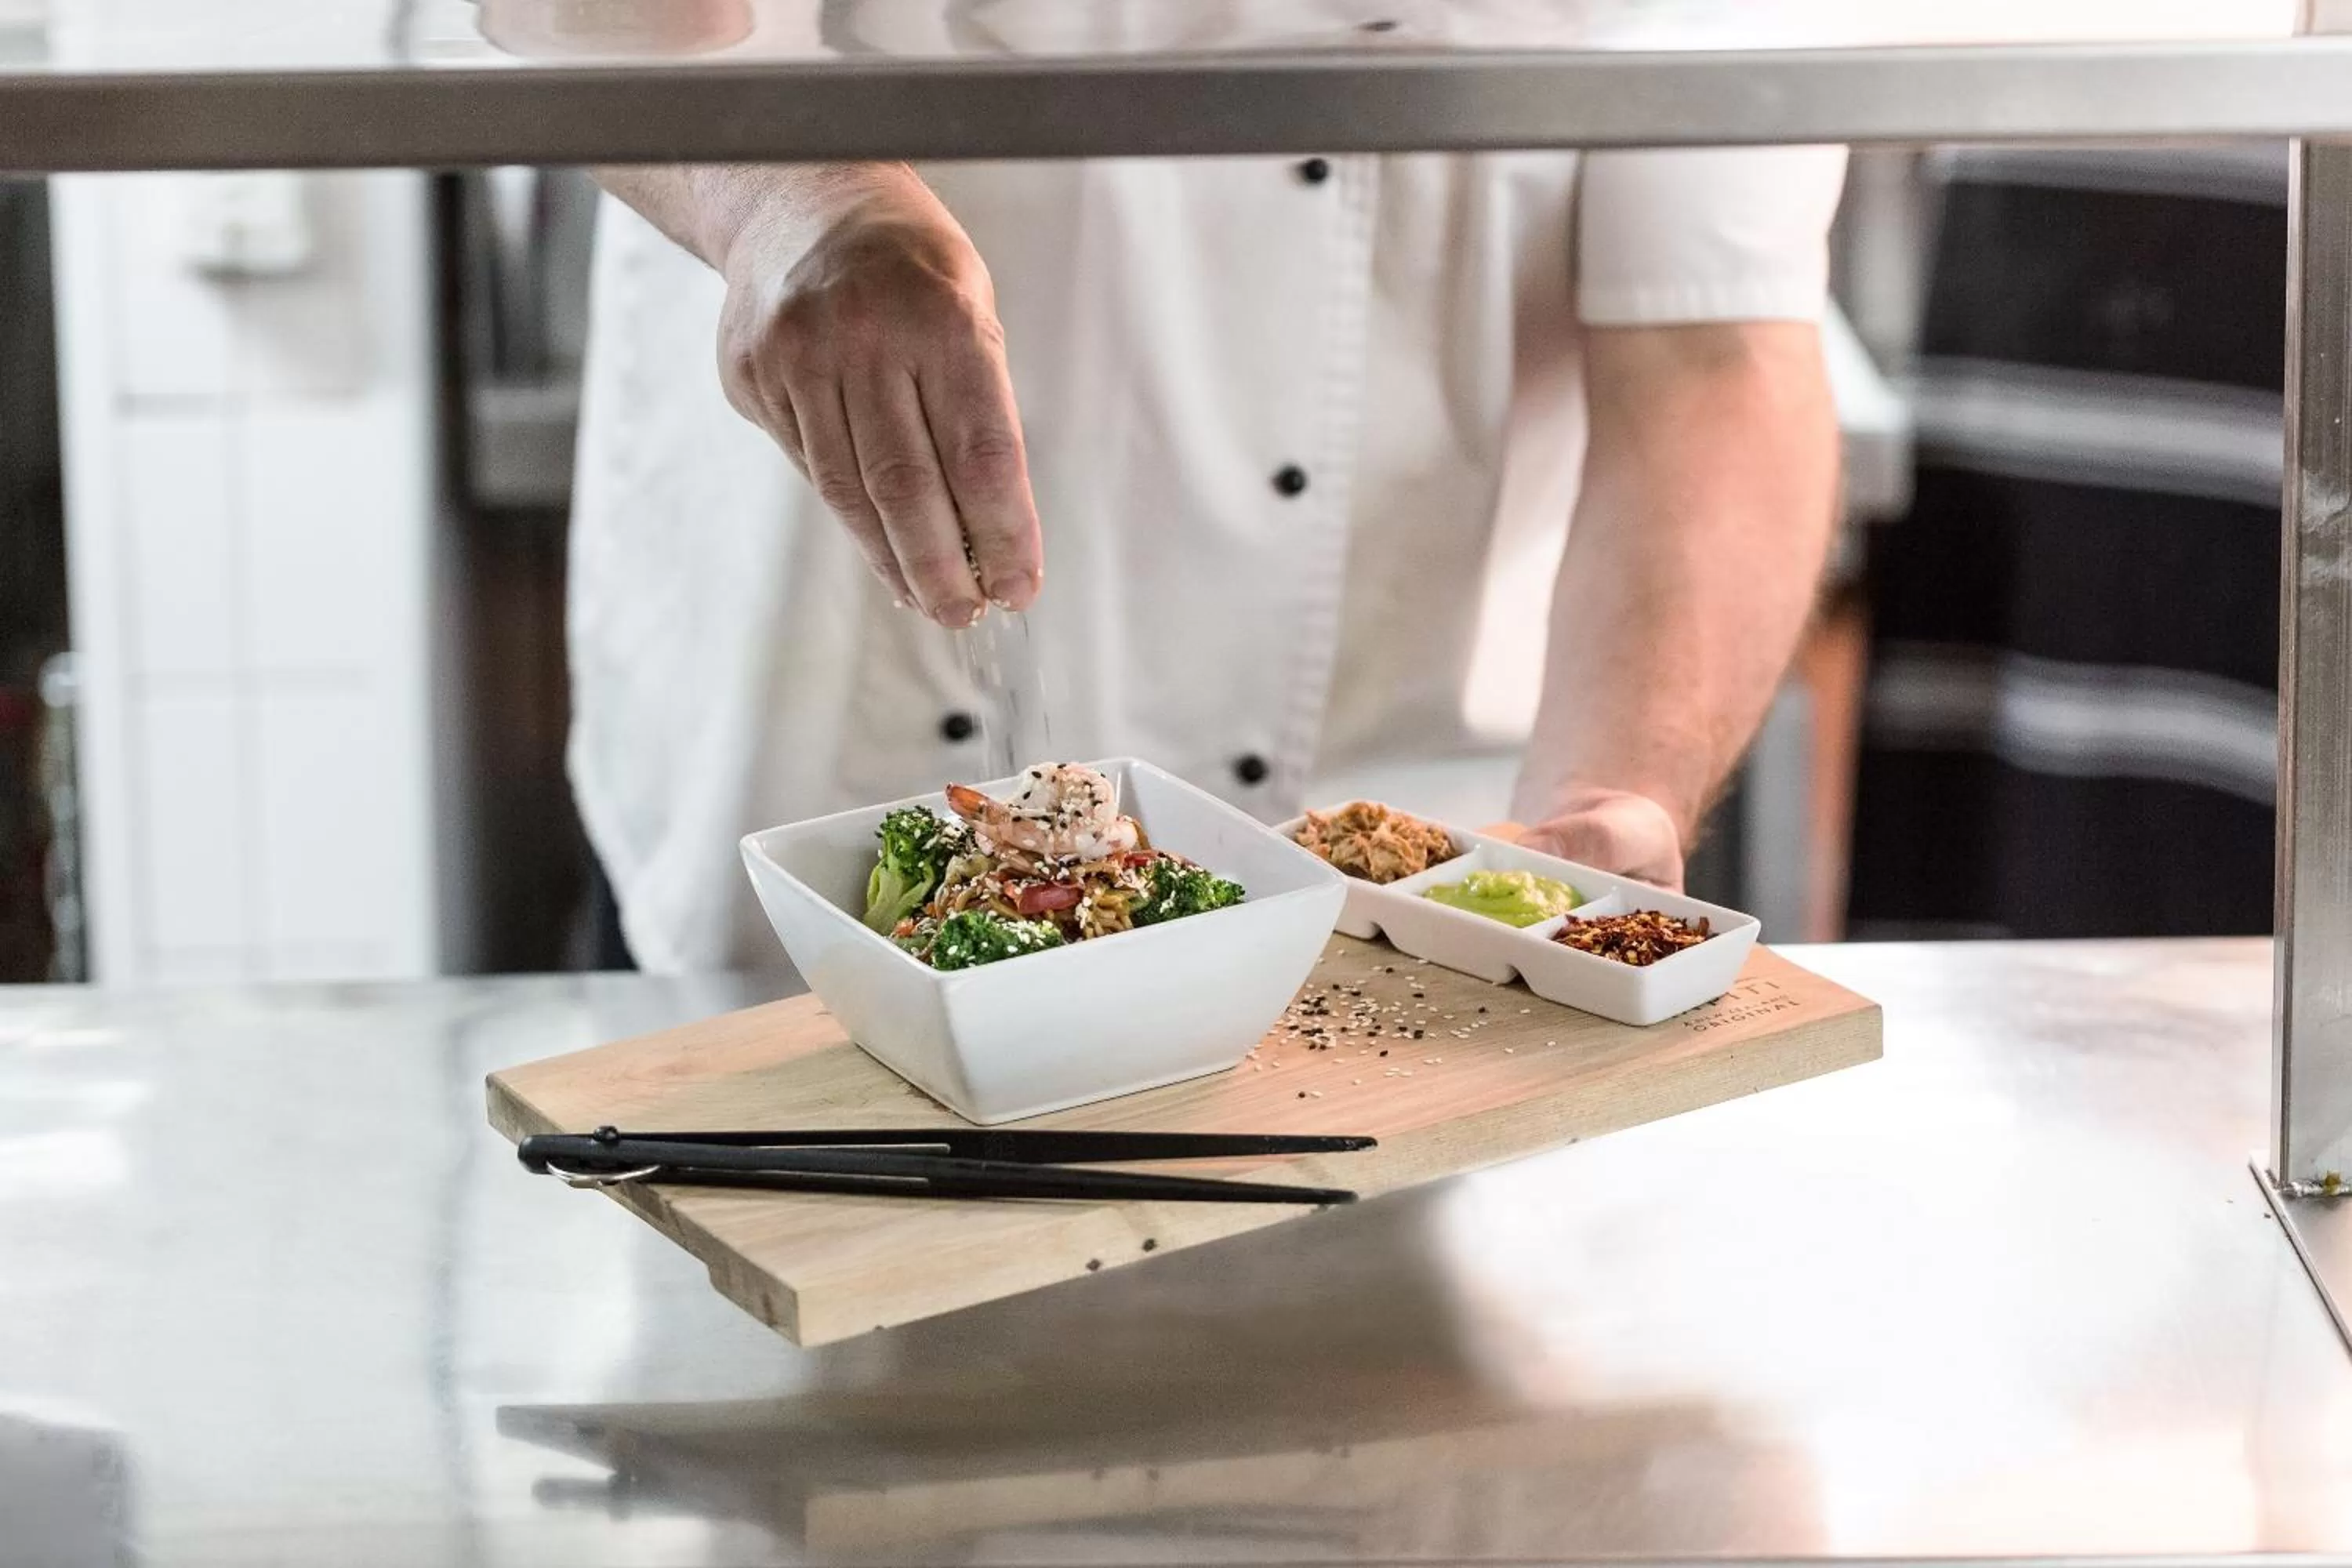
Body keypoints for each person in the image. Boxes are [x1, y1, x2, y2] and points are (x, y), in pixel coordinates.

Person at [561, 22, 1846, 974]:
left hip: (1429, 848)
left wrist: (1608, 801)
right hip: (832, 769)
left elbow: (1711, 343)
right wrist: (787, 191)